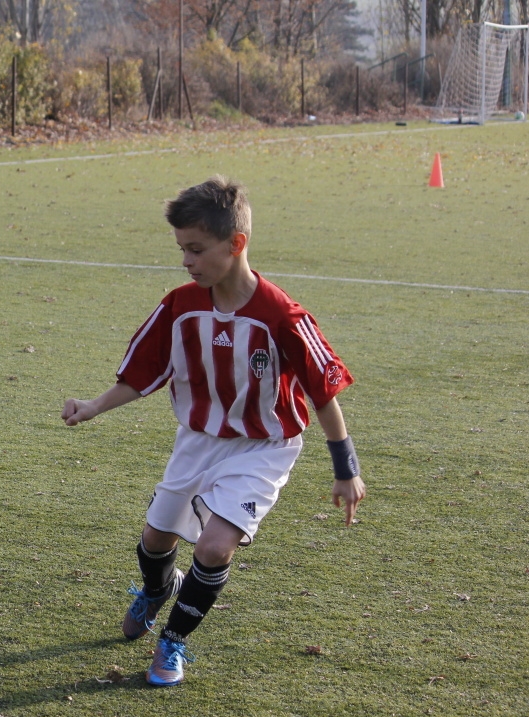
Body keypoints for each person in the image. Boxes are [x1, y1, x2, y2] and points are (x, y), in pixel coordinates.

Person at [61, 176, 365, 687]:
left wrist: (346, 468)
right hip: (198, 440)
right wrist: (94, 406)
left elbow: (323, 393)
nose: (187, 261)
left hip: (264, 447)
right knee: (155, 537)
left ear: (236, 243)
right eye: (182, 249)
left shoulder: (283, 316)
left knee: (214, 547)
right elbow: (144, 371)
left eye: (197, 250)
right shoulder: (180, 305)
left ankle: (173, 640)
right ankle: (157, 591)